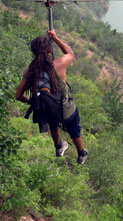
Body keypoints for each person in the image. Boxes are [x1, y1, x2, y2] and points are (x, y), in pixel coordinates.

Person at [16, 29, 88, 164]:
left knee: (53, 124)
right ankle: (81, 153)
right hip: (65, 108)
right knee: (74, 128)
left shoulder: (30, 72)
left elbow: (18, 96)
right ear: (50, 51)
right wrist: (55, 38)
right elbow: (70, 53)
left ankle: (58, 146)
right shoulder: (59, 64)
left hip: (47, 110)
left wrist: (33, 102)